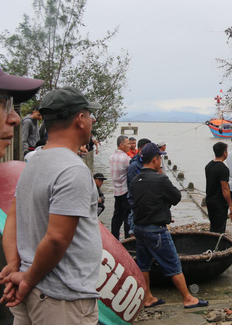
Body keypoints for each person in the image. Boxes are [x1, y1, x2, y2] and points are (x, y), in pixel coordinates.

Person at [0, 86, 102, 324]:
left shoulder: (33, 163)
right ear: (80, 119)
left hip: (31, 286)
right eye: (89, 115)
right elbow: (57, 238)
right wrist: (26, 280)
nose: (91, 120)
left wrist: (15, 268)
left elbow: (13, 218)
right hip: (61, 297)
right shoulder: (73, 170)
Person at [130, 143, 208, 309]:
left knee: (143, 264)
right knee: (173, 264)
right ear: (155, 160)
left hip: (139, 228)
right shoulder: (160, 179)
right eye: (160, 158)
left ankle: (148, 297)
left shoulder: (136, 179)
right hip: (156, 230)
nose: (161, 162)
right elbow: (176, 197)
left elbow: (136, 201)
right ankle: (187, 298)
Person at [0, 69, 43, 159]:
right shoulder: (28, 122)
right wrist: (25, 151)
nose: (16, 119)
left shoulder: (35, 122)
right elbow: (24, 138)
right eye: (1, 102)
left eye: (10, 104)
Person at [204, 142, 232, 234]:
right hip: (219, 203)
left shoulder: (208, 166)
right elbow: (225, 189)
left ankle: (212, 244)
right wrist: (230, 204)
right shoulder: (223, 169)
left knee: (213, 225)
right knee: (220, 228)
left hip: (209, 200)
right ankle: (218, 246)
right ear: (224, 153)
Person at [126, 138, 151, 235]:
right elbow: (133, 185)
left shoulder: (145, 163)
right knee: (134, 227)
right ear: (140, 150)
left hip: (145, 202)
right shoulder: (135, 165)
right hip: (137, 201)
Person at [109, 135, 131, 240]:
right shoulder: (126, 158)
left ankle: (114, 238)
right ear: (121, 145)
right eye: (127, 143)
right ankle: (127, 238)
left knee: (117, 216)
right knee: (127, 216)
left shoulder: (111, 157)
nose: (129, 146)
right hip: (125, 190)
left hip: (116, 190)